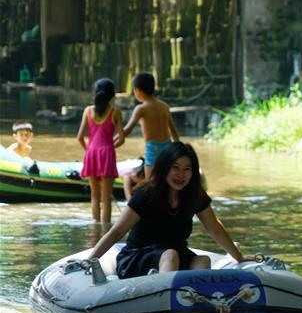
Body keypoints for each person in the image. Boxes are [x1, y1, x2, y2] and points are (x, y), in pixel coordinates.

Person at [84, 142, 253, 277]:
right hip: (138, 256)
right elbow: (116, 232)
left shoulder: (194, 195)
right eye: (175, 167)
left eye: (187, 169)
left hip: (176, 254)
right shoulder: (146, 194)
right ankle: (167, 302)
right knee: (170, 254)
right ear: (164, 168)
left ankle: (194, 306)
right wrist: (88, 261)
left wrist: (238, 256)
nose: (181, 174)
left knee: (202, 261)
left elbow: (214, 227)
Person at [77, 79, 125, 224]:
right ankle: (105, 231)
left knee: (95, 197)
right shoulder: (115, 112)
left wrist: (90, 151)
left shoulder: (88, 111)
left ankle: (95, 228)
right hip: (107, 154)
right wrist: (110, 147)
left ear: (94, 95)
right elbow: (122, 139)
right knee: (106, 199)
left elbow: (79, 137)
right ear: (112, 96)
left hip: (91, 154)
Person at [120, 72, 179, 179]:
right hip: (168, 147)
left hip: (153, 148)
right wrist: (179, 150)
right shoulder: (164, 106)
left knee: (151, 183)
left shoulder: (141, 109)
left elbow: (127, 130)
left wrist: (111, 141)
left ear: (138, 91)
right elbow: (173, 131)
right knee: (166, 181)